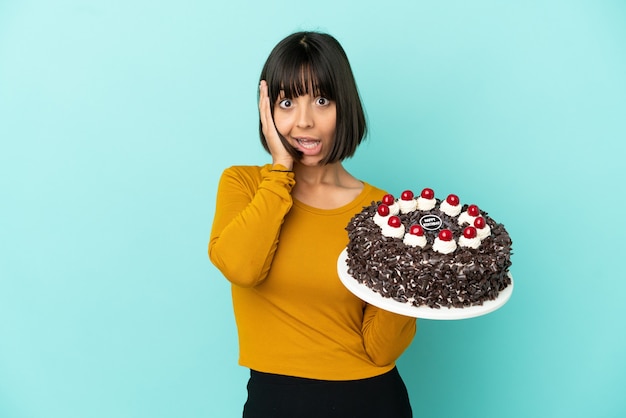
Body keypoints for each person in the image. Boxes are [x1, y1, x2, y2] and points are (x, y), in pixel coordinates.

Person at [209, 31, 417, 418]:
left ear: (345, 106)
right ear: (266, 110)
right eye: (287, 102)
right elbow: (241, 268)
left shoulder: (385, 212)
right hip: (276, 400)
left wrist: (409, 275)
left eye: (321, 100)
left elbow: (381, 349)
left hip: (372, 400)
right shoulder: (245, 184)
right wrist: (279, 172)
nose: (303, 121)